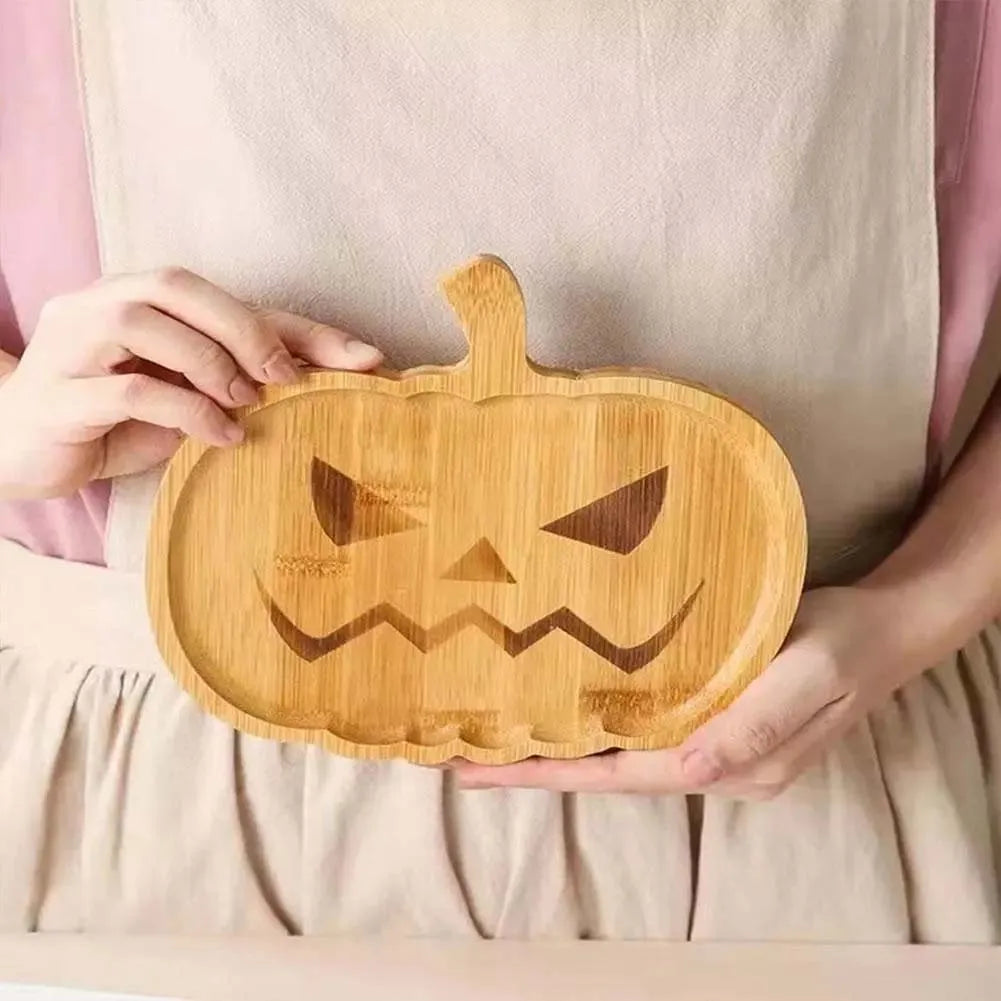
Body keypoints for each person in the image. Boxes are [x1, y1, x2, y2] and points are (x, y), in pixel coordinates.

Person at [1, 0, 999, 939]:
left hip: (815, 761)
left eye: (615, 514)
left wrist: (926, 599)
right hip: (175, 803)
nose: (483, 573)